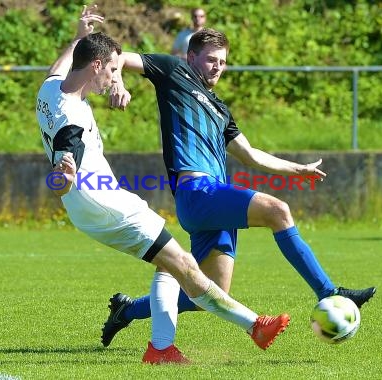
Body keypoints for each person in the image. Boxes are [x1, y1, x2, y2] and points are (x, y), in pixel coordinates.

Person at [36, 6, 290, 365]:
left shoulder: (49, 92)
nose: (113, 78)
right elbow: (66, 158)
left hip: (91, 206)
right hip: (105, 203)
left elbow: (60, 68)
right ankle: (254, 327)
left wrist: (80, 35)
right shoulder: (72, 118)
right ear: (95, 66)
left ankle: (160, 348)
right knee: (184, 265)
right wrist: (62, 176)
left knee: (169, 266)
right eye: (111, 70)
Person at [101, 28, 376, 347]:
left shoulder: (220, 110)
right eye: (211, 60)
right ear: (191, 58)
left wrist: (296, 168)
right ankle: (330, 292)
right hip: (197, 193)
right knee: (278, 211)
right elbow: (117, 56)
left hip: (212, 203)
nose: (217, 66)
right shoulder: (174, 71)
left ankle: (127, 309)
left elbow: (249, 154)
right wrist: (117, 82)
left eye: (222, 62)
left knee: (212, 293)